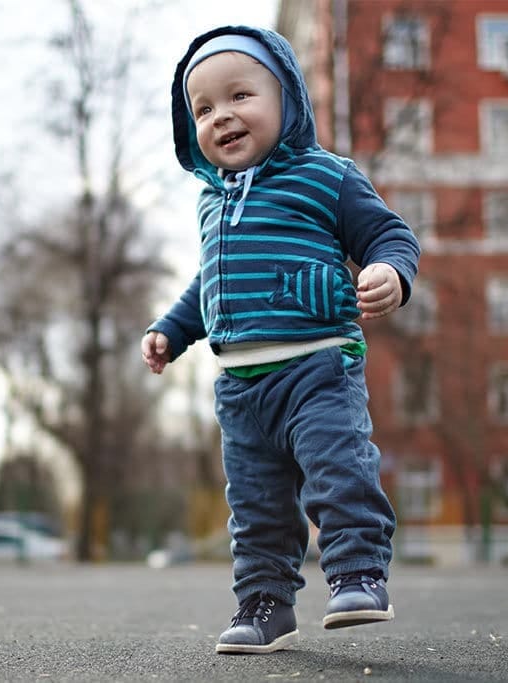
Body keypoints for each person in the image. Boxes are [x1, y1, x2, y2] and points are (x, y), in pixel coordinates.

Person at [141, 26, 421, 655]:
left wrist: (389, 272)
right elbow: (209, 284)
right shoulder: (211, 203)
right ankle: (265, 606)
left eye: (241, 95)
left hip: (317, 367)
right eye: (204, 109)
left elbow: (390, 235)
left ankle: (358, 574)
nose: (223, 116)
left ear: (287, 98)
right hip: (241, 389)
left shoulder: (328, 177)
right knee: (256, 507)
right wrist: (170, 330)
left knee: (338, 470)